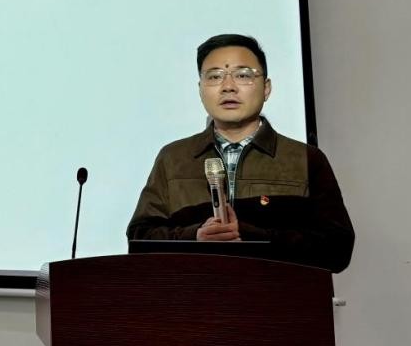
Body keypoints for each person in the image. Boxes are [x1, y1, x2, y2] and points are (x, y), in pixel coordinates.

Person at [126, 34, 354, 272]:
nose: (228, 87)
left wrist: (249, 235)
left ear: (266, 88)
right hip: (195, 293)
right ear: (200, 89)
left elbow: (338, 249)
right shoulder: (173, 159)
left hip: (275, 294)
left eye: (243, 75)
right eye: (214, 76)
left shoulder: (305, 159)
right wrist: (195, 236)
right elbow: (139, 240)